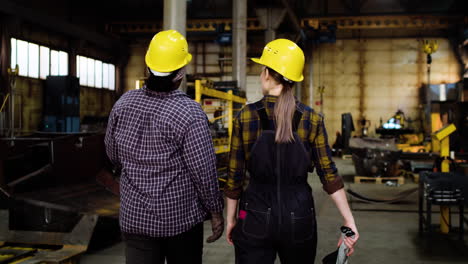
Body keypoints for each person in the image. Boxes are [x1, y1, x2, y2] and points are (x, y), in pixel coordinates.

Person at [224, 38, 359, 264]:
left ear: (266, 73)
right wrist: (349, 220)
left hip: (253, 215)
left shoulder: (245, 116)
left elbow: (234, 177)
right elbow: (329, 174)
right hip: (300, 216)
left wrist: (232, 219)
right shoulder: (312, 118)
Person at [105, 29, 224, 264]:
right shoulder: (189, 112)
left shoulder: (124, 104)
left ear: (147, 68)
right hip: (180, 221)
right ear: (180, 73)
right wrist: (215, 210)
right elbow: (203, 171)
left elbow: (113, 154)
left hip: (135, 219)